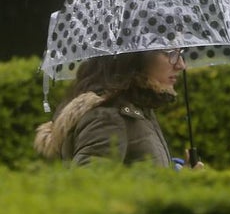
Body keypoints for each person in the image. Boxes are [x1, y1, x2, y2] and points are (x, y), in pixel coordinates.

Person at [34, 49, 189, 167]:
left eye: (180, 52)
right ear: (135, 56)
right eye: (170, 53)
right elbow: (90, 196)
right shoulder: (108, 118)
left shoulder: (137, 109)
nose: (181, 64)